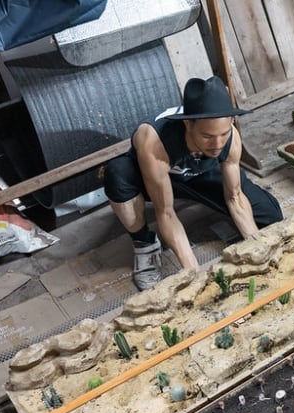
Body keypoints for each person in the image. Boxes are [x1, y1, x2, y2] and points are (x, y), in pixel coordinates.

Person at [103, 76, 283, 290]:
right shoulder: (154, 140)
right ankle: (145, 244)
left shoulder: (230, 138)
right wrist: (197, 278)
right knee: (117, 174)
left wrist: (258, 250)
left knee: (271, 216)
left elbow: (234, 197)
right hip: (158, 176)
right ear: (187, 124)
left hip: (201, 172)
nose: (217, 144)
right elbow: (166, 213)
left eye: (223, 134)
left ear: (231, 123)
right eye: (207, 136)